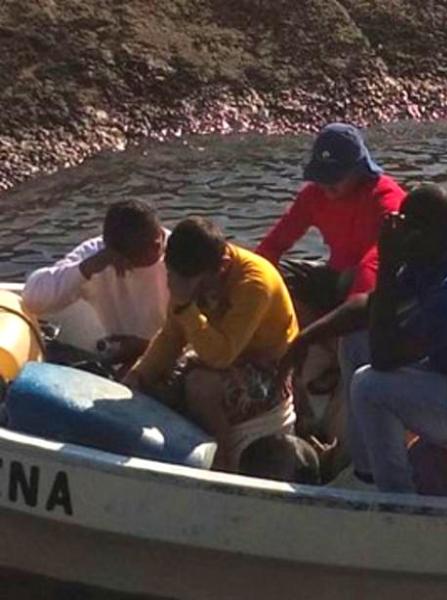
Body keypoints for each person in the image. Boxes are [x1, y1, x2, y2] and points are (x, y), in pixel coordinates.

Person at [281, 184, 447, 493]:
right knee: (355, 340)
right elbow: (371, 305)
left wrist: (388, 264)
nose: (397, 233)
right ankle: (363, 469)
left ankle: (394, 495)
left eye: (406, 228)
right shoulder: (440, 250)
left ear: (426, 234)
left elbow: (384, 358)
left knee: (369, 385)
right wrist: (305, 339)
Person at [123, 217, 299, 470]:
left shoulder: (254, 284)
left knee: (200, 386)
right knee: (148, 382)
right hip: (218, 352)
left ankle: (222, 462)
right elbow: (172, 336)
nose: (182, 288)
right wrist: (138, 376)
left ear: (222, 267)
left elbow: (221, 356)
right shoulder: (187, 275)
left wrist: (185, 306)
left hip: (270, 367)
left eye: (193, 283)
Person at [256, 122, 406, 318]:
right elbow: (274, 243)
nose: (326, 186)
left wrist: (350, 313)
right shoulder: (313, 195)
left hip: (377, 286)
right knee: (268, 272)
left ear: (358, 170)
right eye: (321, 177)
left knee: (355, 275)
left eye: (335, 178)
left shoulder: (386, 198)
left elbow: (378, 260)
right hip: (336, 277)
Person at [22, 199, 169, 367]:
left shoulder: (178, 253)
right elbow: (32, 299)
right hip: (123, 362)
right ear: (115, 255)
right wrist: (87, 269)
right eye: (141, 251)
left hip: (171, 359)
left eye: (157, 245)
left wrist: (144, 347)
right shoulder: (95, 256)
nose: (154, 252)